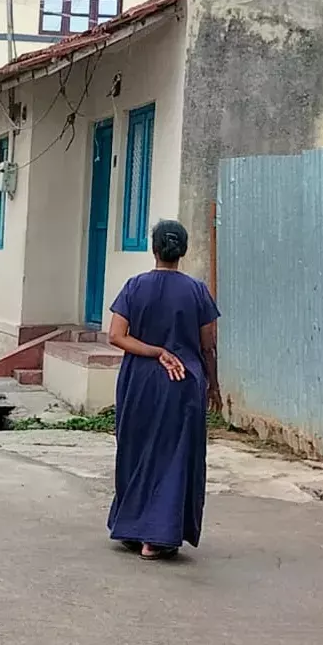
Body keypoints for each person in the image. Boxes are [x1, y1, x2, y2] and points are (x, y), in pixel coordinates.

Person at [105, 219, 220, 560]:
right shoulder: (197, 290)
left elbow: (116, 336)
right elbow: (208, 345)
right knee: (175, 456)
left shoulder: (134, 286)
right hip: (184, 383)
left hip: (139, 383)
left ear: (153, 248)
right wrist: (213, 385)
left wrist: (155, 351)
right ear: (183, 251)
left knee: (136, 450)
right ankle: (157, 537)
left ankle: (131, 527)